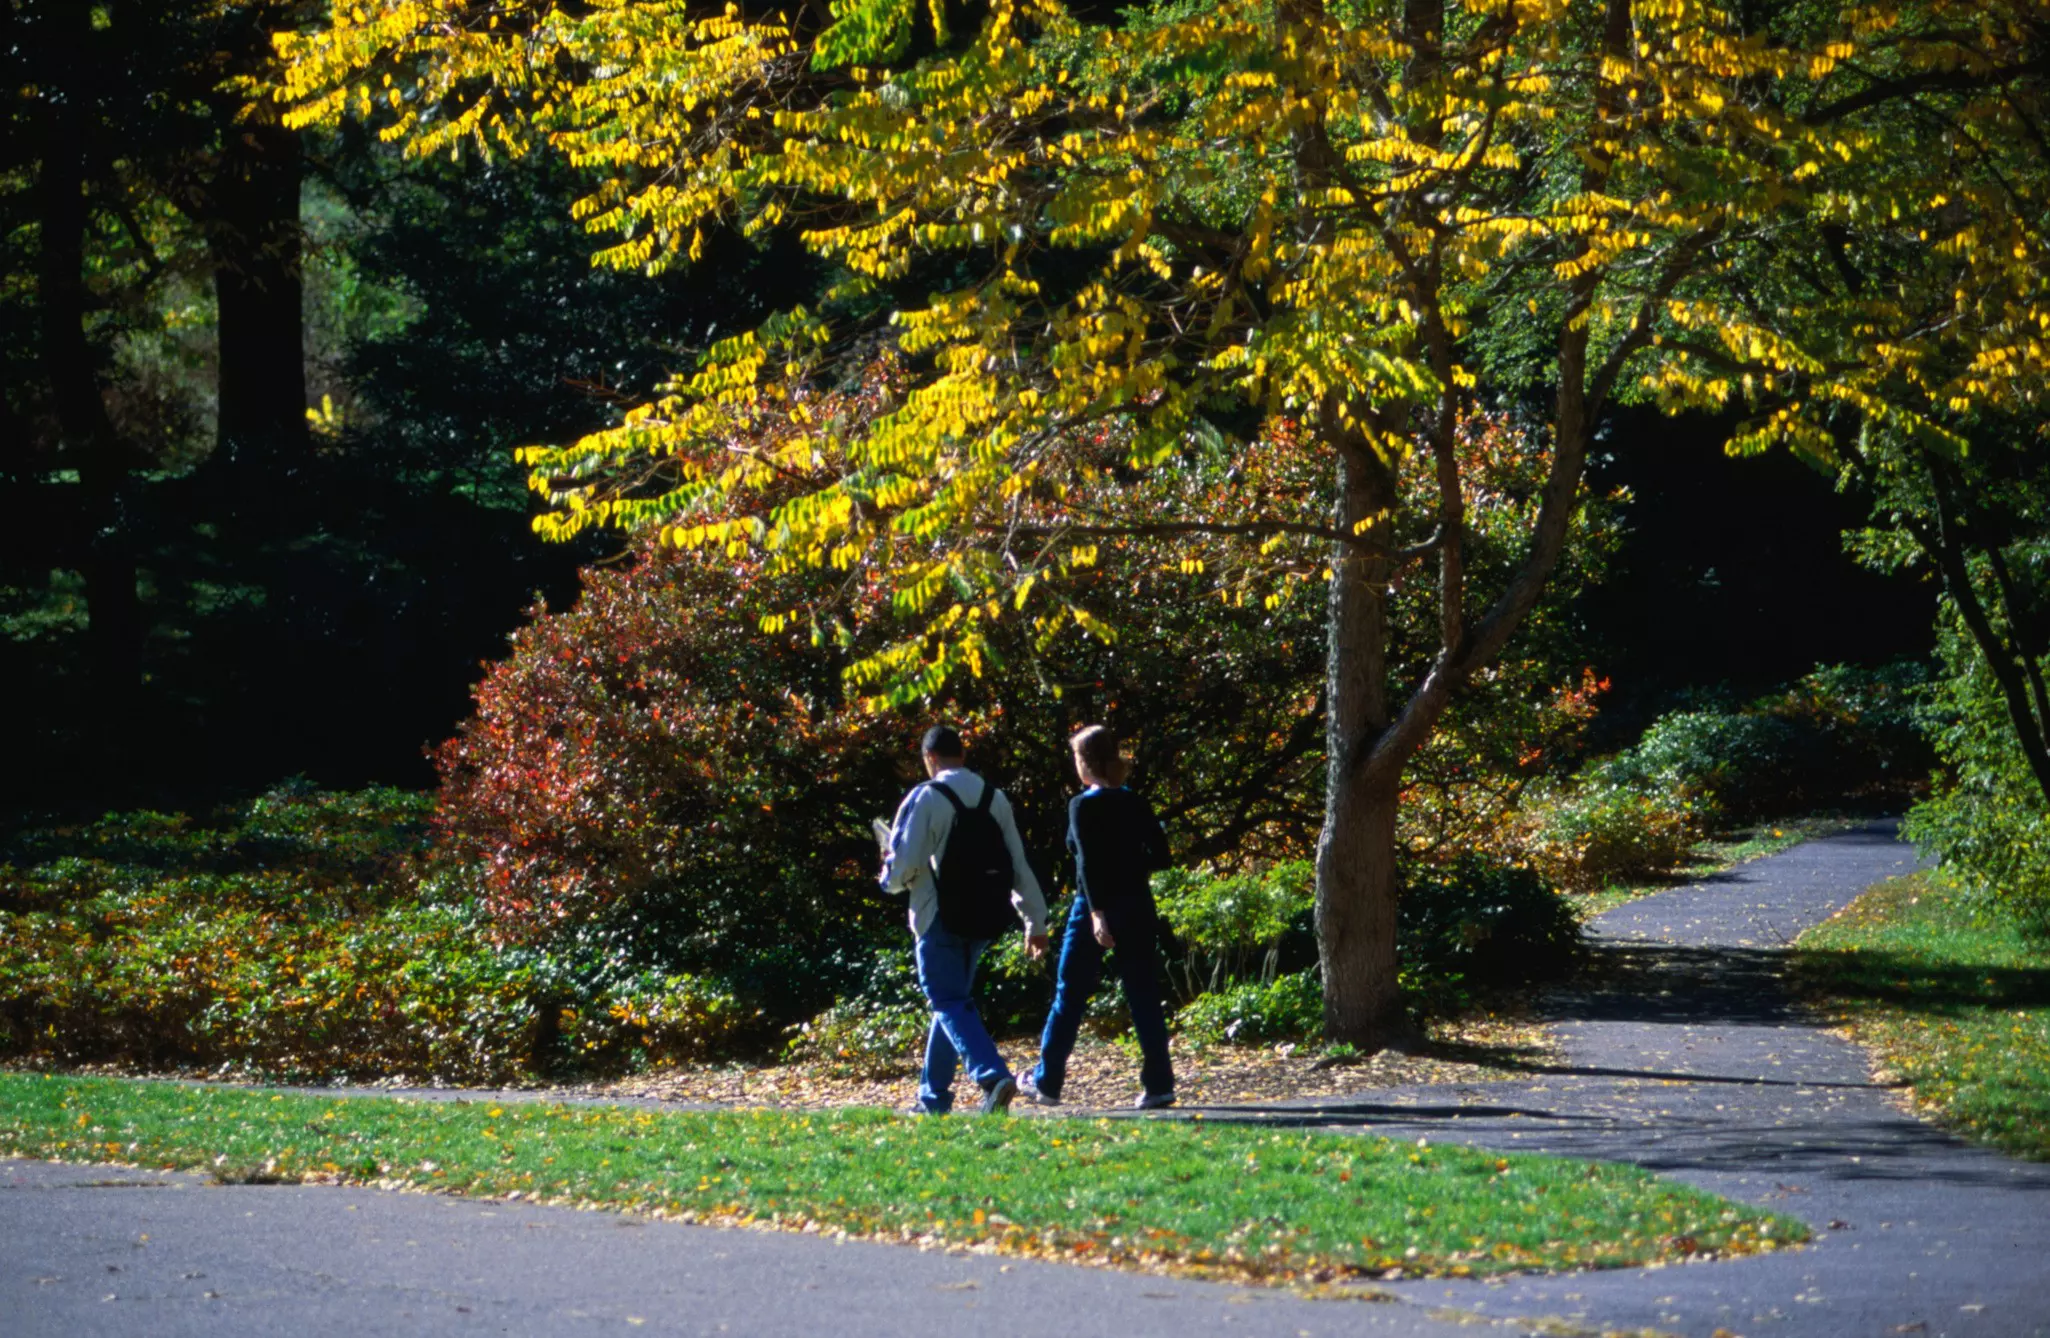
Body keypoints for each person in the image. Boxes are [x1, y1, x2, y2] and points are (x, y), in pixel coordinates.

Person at [880, 725, 1049, 1115]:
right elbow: (1017, 864)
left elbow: (902, 866)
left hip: (937, 914)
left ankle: (991, 1076)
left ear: (929, 758)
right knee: (952, 1003)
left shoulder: (926, 796)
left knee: (947, 999)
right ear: (963, 755)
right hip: (982, 914)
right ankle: (933, 1099)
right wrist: (1034, 920)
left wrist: (887, 876)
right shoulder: (995, 798)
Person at [1021, 725, 1177, 1110]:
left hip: (1093, 907)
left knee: (1069, 994)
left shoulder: (1082, 806)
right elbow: (1162, 856)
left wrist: (1096, 913)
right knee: (1143, 995)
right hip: (1138, 904)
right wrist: (1130, 864)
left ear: (1085, 762)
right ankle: (1159, 1084)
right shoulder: (1136, 803)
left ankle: (1048, 1082)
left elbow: (1087, 863)